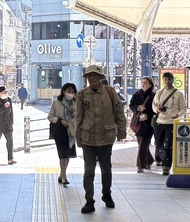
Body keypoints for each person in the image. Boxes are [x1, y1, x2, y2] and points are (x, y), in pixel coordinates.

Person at [74, 64, 127, 213]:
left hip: (106, 137)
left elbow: (119, 113)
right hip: (88, 138)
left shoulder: (110, 93)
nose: (92, 78)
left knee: (106, 169)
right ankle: (89, 200)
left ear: (100, 77)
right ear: (86, 78)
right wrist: (78, 138)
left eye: (95, 75)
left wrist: (122, 131)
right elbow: (78, 118)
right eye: (89, 76)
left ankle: (106, 194)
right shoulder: (82, 95)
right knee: (89, 170)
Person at [152, 71, 187, 175]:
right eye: (165, 79)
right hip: (160, 122)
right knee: (158, 144)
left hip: (171, 123)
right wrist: (157, 110)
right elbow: (154, 105)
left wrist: (178, 115)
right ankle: (160, 158)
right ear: (163, 80)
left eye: (169, 79)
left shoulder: (178, 94)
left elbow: (183, 108)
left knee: (168, 145)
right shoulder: (159, 93)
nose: (167, 81)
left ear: (172, 80)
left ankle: (166, 166)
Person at [47, 83, 78, 186]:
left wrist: (74, 113)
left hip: (71, 131)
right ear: (63, 91)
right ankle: (64, 177)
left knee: (68, 154)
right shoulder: (56, 102)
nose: (70, 93)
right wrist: (60, 121)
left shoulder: (76, 103)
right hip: (60, 131)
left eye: (72, 91)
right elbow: (50, 116)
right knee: (62, 154)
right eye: (68, 91)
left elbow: (79, 117)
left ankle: (61, 174)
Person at [128, 76, 156, 173]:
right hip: (138, 123)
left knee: (143, 143)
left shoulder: (154, 96)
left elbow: (156, 109)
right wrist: (138, 108)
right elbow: (131, 106)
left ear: (150, 85)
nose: (143, 84)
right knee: (141, 144)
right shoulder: (137, 94)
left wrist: (148, 112)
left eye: (145, 83)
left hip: (149, 123)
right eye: (142, 82)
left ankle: (140, 165)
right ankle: (149, 160)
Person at [0, 85, 16, 165]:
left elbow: (11, 112)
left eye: (6, 92)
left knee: (10, 141)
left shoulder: (8, 100)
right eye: (4, 92)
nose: (5, 93)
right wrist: (4, 107)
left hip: (7, 124)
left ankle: (10, 159)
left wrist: (12, 122)